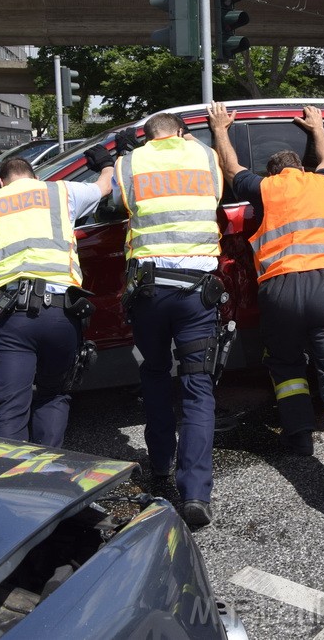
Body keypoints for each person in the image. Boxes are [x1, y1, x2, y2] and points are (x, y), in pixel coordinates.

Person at [207, 101, 324, 507]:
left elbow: (231, 172)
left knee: (286, 366)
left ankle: (298, 437)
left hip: (280, 289)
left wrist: (221, 129)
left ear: (272, 173)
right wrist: (317, 127)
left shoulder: (265, 189)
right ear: (302, 168)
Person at [102, 112, 226, 528]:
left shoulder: (131, 162)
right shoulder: (206, 156)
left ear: (148, 135)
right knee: (197, 386)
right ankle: (195, 494)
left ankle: (160, 466)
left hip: (149, 291)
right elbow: (217, 198)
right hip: (196, 292)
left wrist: (121, 156)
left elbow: (115, 204)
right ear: (180, 132)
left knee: (154, 373)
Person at [0, 155, 111, 448]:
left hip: (12, 317)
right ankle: (48, 477)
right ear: (34, 177)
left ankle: (15, 485)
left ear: (0, 182)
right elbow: (104, 187)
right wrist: (107, 163)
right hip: (62, 312)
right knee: (54, 393)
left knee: (9, 410)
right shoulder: (61, 191)